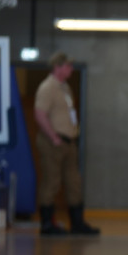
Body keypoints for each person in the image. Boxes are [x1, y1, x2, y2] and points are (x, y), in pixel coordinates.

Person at [34, 52, 99, 236]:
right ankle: (47, 224)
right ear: (58, 67)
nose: (71, 69)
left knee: (74, 182)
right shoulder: (48, 87)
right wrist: (53, 136)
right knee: (51, 182)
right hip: (53, 142)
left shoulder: (64, 88)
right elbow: (39, 114)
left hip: (68, 143)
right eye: (68, 66)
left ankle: (77, 222)